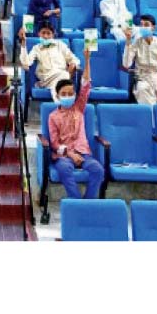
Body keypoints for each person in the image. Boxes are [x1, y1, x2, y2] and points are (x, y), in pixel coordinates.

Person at [47, 45, 105, 199]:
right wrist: (70, 154)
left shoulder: (78, 107)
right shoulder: (53, 116)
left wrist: (87, 60)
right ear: (58, 96)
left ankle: (88, 202)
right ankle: (76, 202)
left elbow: (85, 85)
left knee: (98, 170)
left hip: (84, 153)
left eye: (70, 93)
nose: (68, 96)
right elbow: (54, 143)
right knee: (64, 169)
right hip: (65, 155)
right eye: (64, 94)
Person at [18, 22, 80, 101]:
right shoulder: (36, 48)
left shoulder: (60, 45)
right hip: (46, 78)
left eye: (48, 33)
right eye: (43, 33)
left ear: (53, 35)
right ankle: (64, 106)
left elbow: (74, 59)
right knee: (64, 77)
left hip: (62, 75)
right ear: (39, 34)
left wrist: (73, 64)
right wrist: (23, 44)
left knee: (60, 80)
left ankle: (59, 105)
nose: (46, 36)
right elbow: (26, 62)